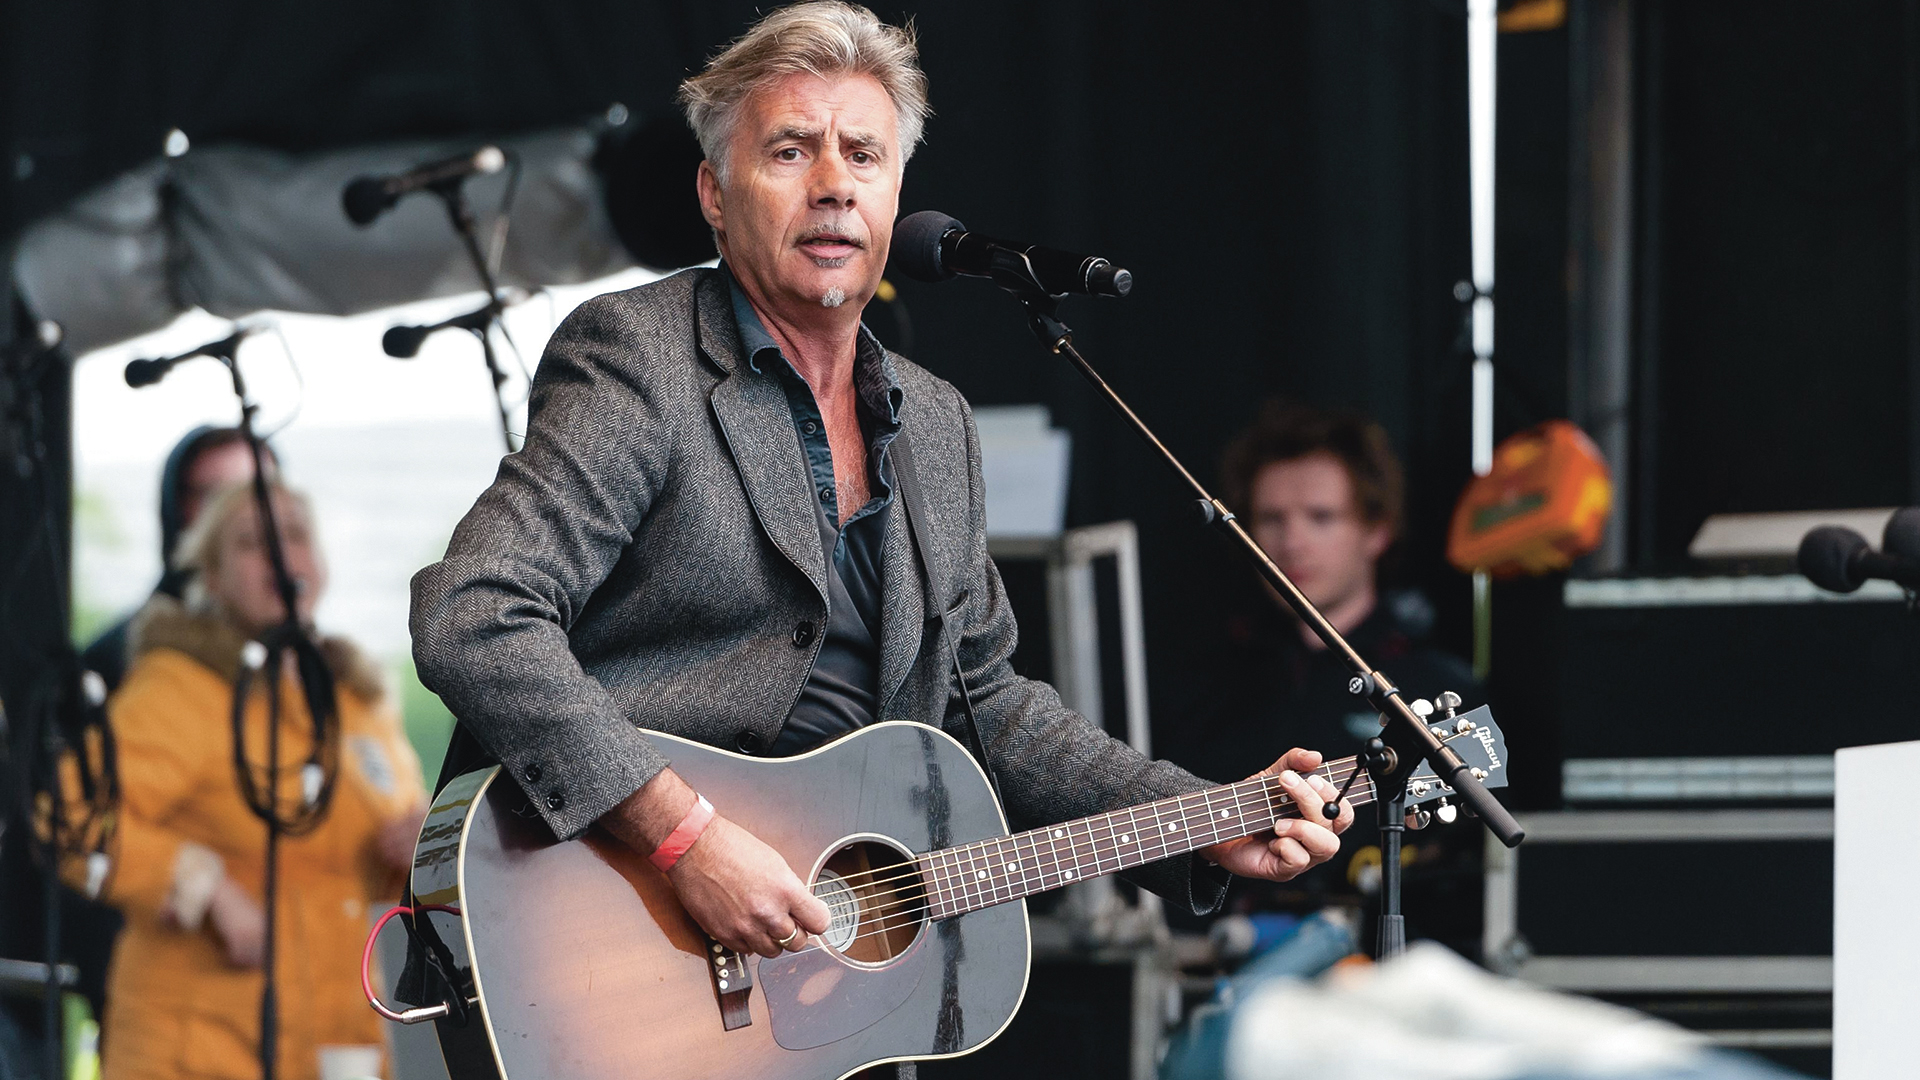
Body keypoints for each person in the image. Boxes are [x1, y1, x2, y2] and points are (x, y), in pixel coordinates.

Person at [409, 0, 1353, 994]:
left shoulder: (937, 424)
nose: (831, 186)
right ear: (715, 195)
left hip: (831, 980)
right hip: (619, 940)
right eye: (788, 152)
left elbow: (989, 706)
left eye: (863, 155)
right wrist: (686, 840)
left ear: (897, 192)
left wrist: (1204, 820)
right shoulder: (639, 358)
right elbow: (477, 615)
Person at [69, 480, 425, 1080]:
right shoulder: (179, 687)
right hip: (196, 1051)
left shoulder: (357, 702)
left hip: (343, 1046)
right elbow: (73, 813)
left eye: (295, 534)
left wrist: (423, 844)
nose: (283, 555)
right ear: (210, 577)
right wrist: (200, 885)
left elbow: (397, 846)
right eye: (253, 542)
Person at [1164, 401, 1480, 944]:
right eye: (1270, 519)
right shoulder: (1202, 686)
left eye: (1321, 517)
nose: (1292, 542)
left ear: (1376, 531)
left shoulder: (1436, 688)